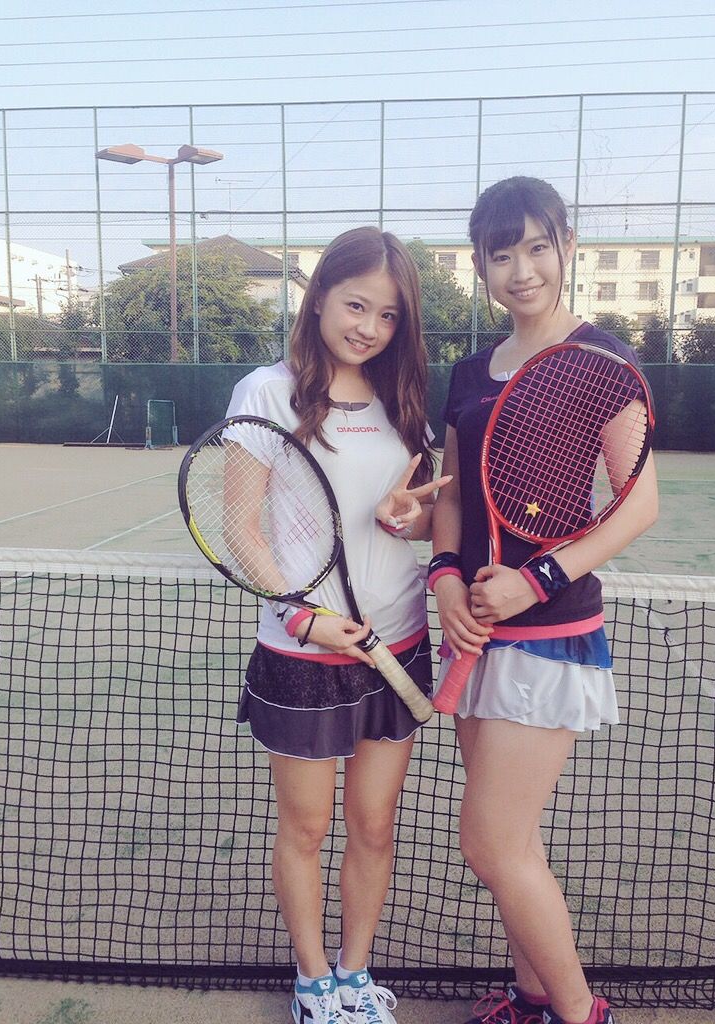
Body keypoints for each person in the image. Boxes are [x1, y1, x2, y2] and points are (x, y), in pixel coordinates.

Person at [430, 177, 659, 1024]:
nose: (521, 269)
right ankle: (532, 1001)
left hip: (550, 632)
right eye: (502, 254)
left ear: (567, 246)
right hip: (474, 629)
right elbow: (451, 493)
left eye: (536, 247)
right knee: (512, 843)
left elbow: (638, 504)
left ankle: (581, 1014)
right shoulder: (467, 374)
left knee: (489, 842)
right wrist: (445, 578)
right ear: (480, 265)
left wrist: (538, 578)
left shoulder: (603, 362)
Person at [226, 226, 449, 1024]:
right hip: (303, 654)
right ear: (319, 296)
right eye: (356, 305)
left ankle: (356, 974)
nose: (369, 328)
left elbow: (427, 521)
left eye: (388, 316)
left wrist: (407, 518)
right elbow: (241, 529)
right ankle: (314, 982)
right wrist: (300, 615)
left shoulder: (405, 399)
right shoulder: (266, 392)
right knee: (307, 826)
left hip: (399, 643)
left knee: (374, 825)